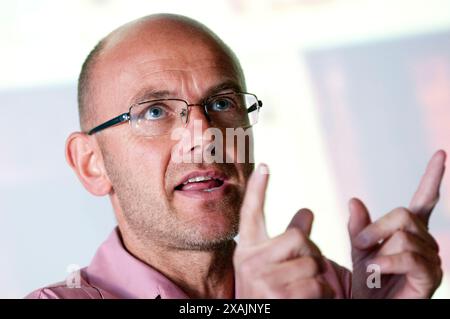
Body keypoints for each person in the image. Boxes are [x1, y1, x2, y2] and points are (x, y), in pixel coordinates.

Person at [26, 13, 445, 299]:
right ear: (91, 163)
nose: (204, 133)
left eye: (223, 103)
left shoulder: (330, 287)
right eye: (154, 112)